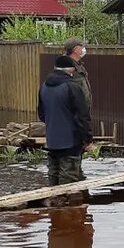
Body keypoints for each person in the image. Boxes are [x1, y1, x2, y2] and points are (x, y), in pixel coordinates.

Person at [37, 55, 93, 201]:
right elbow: (82, 116)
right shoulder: (72, 87)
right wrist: (87, 139)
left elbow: (42, 115)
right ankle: (67, 215)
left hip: (52, 141)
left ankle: (55, 217)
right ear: (71, 70)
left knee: (53, 178)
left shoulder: (44, 86)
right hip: (71, 141)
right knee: (68, 179)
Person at [62, 37, 92, 179]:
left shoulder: (78, 66)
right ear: (75, 49)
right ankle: (71, 187)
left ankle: (78, 181)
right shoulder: (67, 67)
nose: (84, 49)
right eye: (82, 47)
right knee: (70, 158)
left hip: (80, 117)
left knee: (77, 156)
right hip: (72, 118)